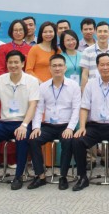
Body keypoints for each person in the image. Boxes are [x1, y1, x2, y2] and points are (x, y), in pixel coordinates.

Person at [0, 50, 41, 191]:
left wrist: (24, 125)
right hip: (4, 122)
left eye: (16, 62)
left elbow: (33, 105)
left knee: (22, 137)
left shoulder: (31, 81)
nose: (13, 65)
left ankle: (18, 176)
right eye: (10, 62)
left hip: (22, 122)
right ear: (6, 64)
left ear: (23, 63)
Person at [72, 52, 109, 191]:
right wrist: (82, 127)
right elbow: (84, 107)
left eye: (108, 64)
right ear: (97, 66)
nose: (105, 67)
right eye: (102, 65)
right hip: (94, 126)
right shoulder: (90, 84)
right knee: (77, 141)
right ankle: (82, 178)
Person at [27, 54, 83, 190]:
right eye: (54, 66)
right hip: (48, 126)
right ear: (50, 68)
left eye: (60, 65)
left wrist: (70, 128)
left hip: (65, 125)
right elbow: (39, 109)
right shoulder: (43, 86)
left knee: (68, 141)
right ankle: (40, 176)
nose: (57, 68)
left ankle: (63, 176)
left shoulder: (74, 86)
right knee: (33, 139)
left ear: (65, 68)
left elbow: (76, 109)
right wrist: (36, 127)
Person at [80, 22, 109, 91]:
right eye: (100, 31)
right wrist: (83, 92)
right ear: (95, 33)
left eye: (105, 31)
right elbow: (85, 74)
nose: (102, 34)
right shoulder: (87, 51)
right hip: (93, 89)